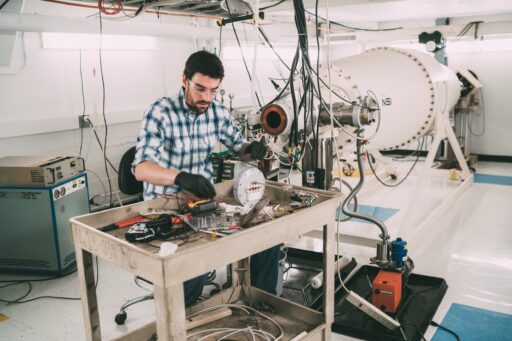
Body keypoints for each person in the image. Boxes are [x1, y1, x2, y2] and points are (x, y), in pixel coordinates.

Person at [132, 50, 280, 307]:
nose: (206, 97)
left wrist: (251, 148)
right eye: (200, 89)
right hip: (164, 208)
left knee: (266, 240)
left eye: (213, 90)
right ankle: (180, 324)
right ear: (184, 80)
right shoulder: (160, 112)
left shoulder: (217, 113)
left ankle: (261, 308)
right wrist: (180, 176)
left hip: (202, 204)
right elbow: (141, 169)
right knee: (191, 268)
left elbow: (238, 146)